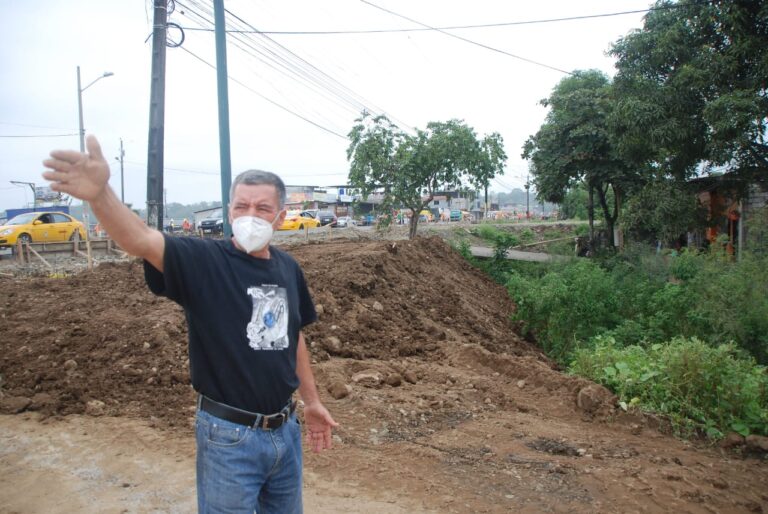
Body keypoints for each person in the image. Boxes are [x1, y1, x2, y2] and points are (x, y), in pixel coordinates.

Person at [42, 135, 338, 513]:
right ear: (229, 212)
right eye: (242, 206)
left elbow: (291, 336)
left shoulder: (288, 269)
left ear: (280, 217)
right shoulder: (203, 261)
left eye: (263, 208)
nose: (251, 215)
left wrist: (312, 402)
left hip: (285, 431)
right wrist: (101, 194)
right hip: (229, 437)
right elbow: (141, 240)